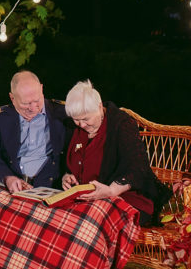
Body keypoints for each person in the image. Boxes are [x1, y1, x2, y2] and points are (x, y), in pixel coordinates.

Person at [62, 80, 172, 226]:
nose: (81, 125)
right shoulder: (74, 129)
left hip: (126, 198)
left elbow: (139, 168)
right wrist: (67, 176)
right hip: (87, 202)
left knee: (89, 223)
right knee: (57, 219)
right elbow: (70, 161)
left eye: (85, 119)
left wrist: (111, 191)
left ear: (99, 107)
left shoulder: (121, 124)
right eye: (76, 120)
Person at [0, 70, 69, 192]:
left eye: (37, 101)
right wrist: (7, 178)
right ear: (12, 98)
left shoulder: (63, 112)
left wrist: (69, 173)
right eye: (26, 104)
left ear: (41, 89)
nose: (33, 108)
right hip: (13, 186)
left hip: (53, 184)